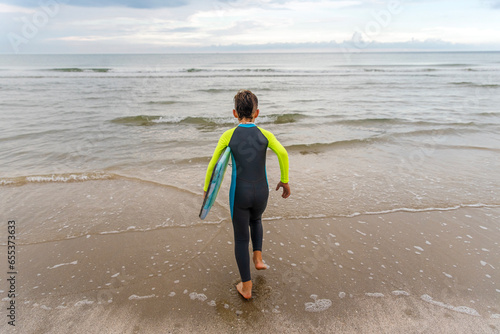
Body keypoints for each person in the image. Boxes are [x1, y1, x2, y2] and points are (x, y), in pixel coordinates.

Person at [203, 89, 291, 299]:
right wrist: (285, 180)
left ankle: (246, 287)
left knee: (241, 239)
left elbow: (213, 165)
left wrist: (208, 189)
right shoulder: (265, 135)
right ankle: (258, 259)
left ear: (235, 113)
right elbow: (283, 153)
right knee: (257, 219)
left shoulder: (228, 135)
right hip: (262, 191)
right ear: (257, 113)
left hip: (239, 194)